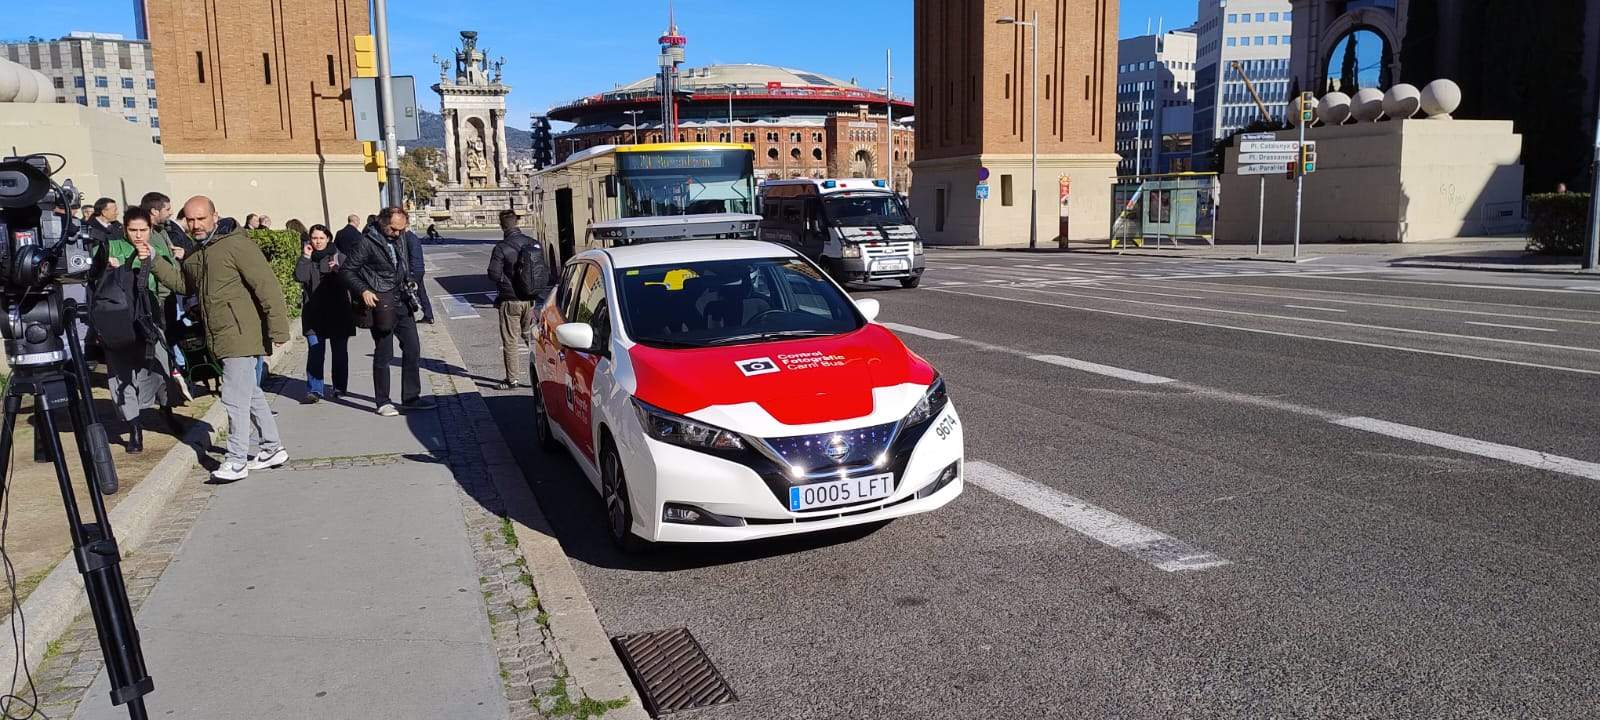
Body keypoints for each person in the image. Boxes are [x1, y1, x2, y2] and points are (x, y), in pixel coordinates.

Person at [150, 196, 291, 483]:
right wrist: (154, 260)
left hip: (240, 333)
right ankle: (272, 447)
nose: (195, 224)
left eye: (201, 218)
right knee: (250, 394)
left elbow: (266, 285)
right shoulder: (199, 252)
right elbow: (184, 285)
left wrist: (279, 330)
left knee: (234, 397)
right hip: (220, 334)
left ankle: (237, 460)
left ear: (215, 216)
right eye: (190, 219)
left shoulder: (236, 244)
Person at [101, 207, 185, 452]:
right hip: (118, 319)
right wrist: (107, 266)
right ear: (124, 229)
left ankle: (166, 410)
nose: (138, 235)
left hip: (149, 318)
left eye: (143, 230)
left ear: (150, 229)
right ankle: (134, 427)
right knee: (121, 374)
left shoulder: (155, 251)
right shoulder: (113, 247)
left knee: (160, 366)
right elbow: (93, 270)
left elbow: (171, 281)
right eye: (133, 230)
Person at [339, 206, 433, 417]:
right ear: (382, 222)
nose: (397, 233)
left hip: (402, 299)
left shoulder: (399, 238)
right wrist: (363, 290)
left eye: (401, 229)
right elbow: (347, 272)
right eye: (393, 229)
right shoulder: (366, 242)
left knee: (413, 348)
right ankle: (383, 401)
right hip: (381, 302)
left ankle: (411, 397)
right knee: (384, 352)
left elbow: (402, 263)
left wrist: (410, 279)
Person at [294, 224, 355, 403]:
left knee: (339, 353)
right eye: (314, 238)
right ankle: (315, 390)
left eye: (321, 238)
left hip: (338, 312)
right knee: (315, 352)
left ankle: (339, 387)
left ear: (328, 238)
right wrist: (305, 256)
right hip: (314, 313)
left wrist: (338, 271)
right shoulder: (307, 257)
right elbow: (300, 277)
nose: (318, 241)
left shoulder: (339, 256)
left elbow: (351, 281)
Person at [487, 210, 547, 390]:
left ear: (502, 226)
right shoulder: (533, 243)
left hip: (510, 300)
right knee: (532, 337)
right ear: (517, 223)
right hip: (530, 300)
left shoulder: (501, 248)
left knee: (511, 340)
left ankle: (512, 379)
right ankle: (543, 375)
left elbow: (493, 274)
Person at [405, 220, 434, 324]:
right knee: (422, 293)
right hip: (419, 269)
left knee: (408, 294)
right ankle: (428, 315)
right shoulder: (413, 237)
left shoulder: (407, 238)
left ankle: (408, 318)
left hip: (414, 270)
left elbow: (409, 256)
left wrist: (411, 272)